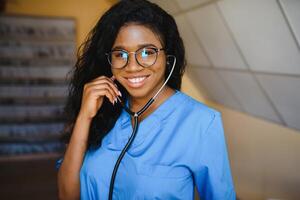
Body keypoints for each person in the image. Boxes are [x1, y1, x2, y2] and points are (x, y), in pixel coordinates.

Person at [57, 0, 236, 199]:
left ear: (167, 57)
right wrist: (84, 117)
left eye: (147, 52)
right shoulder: (102, 112)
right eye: (120, 54)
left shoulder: (201, 122)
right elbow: (67, 195)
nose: (132, 66)